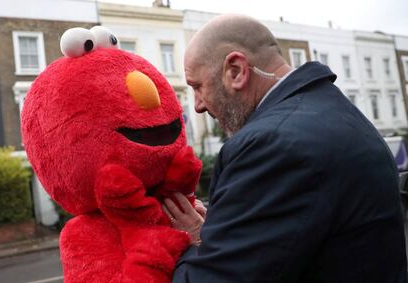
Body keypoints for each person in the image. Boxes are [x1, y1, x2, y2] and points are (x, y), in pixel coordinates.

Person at [162, 14, 408, 282]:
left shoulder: (270, 145)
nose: (197, 105)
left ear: (236, 70)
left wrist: (193, 242)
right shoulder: (337, 111)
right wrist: (223, 232)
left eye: (198, 87)